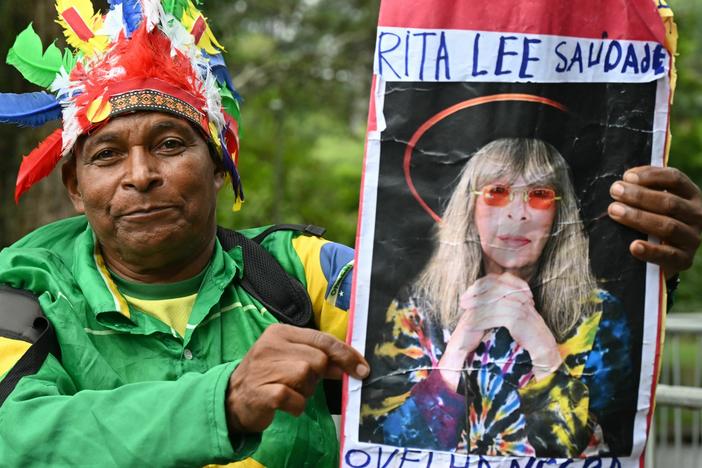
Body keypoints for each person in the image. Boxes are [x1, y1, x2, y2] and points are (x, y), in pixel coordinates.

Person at [0, 2, 700, 467]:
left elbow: (448, 317)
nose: (142, 174)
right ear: (75, 187)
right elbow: (17, 437)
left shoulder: (299, 275)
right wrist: (222, 401)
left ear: (220, 168)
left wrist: (634, 263)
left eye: (170, 144)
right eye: (107, 155)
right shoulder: (19, 294)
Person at [360, 138, 702, 458]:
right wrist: (457, 349)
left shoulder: (600, 313)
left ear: (558, 214)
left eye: (539, 194)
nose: (517, 213)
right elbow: (383, 444)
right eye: (497, 192)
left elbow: (602, 450)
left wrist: (541, 347)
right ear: (470, 207)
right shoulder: (418, 307)